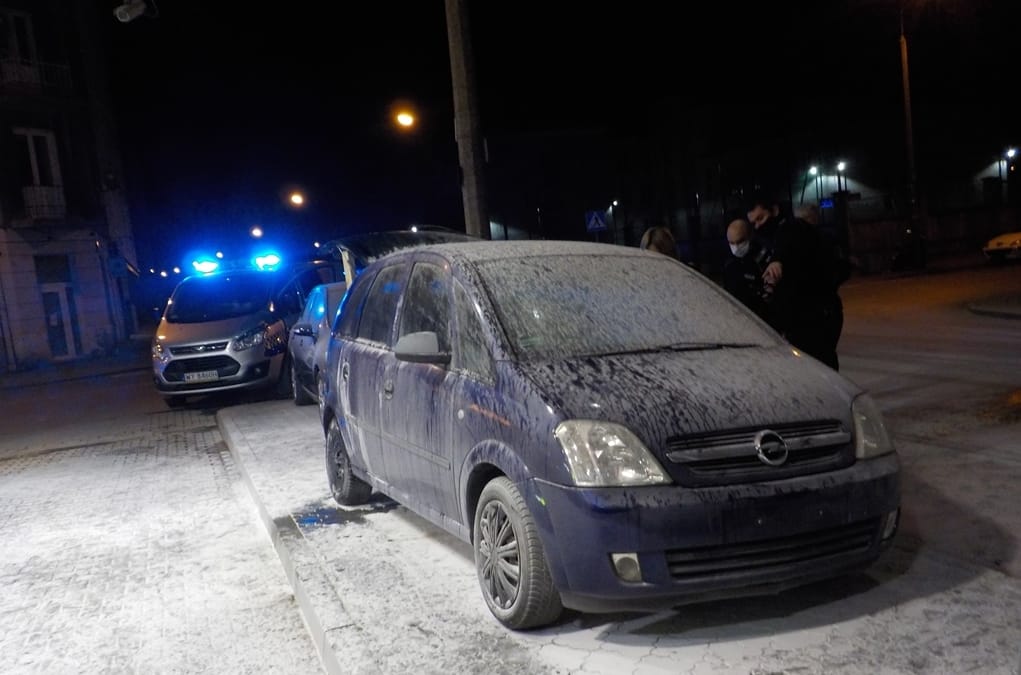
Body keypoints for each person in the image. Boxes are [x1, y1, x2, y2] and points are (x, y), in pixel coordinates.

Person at [746, 193, 843, 370]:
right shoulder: (767, 242)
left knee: (821, 368)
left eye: (761, 218)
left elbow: (787, 244)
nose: (758, 226)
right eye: (754, 223)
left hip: (816, 315)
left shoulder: (793, 229)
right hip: (800, 318)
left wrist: (777, 260)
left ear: (774, 211)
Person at [722, 218, 770, 321]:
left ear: (750, 237)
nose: (736, 247)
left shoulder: (763, 260)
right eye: (731, 243)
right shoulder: (729, 263)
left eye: (739, 242)